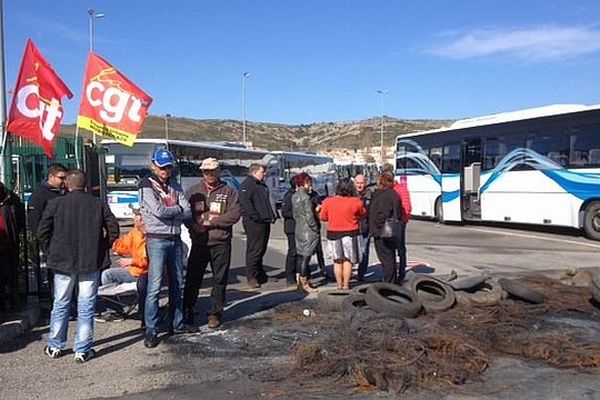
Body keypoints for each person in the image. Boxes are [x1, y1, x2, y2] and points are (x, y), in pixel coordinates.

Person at [38, 170, 119, 363]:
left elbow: (42, 231)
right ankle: (82, 350)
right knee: (86, 306)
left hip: (62, 261)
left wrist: (51, 251)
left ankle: (56, 345)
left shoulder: (56, 203)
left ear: (67, 183)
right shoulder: (97, 204)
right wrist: (102, 248)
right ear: (85, 185)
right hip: (90, 260)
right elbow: (113, 228)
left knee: (60, 303)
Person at [138, 149, 191, 348]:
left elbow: (188, 212)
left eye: (168, 167)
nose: (165, 171)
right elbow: (158, 211)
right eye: (162, 167)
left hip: (175, 238)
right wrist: (176, 209)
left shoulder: (175, 185)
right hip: (157, 240)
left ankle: (176, 324)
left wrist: (176, 211)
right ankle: (151, 330)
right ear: (153, 165)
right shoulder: (146, 186)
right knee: (155, 285)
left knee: (178, 283)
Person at [183, 157, 241, 330]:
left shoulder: (229, 192)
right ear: (202, 172)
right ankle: (188, 309)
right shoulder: (193, 192)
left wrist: (211, 223)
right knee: (193, 278)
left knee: (219, 279)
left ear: (218, 171)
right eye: (206, 171)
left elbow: (234, 214)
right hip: (199, 243)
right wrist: (193, 225)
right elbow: (185, 213)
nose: (209, 174)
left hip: (220, 243)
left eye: (212, 171)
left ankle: (215, 313)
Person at [96, 204, 148, 325]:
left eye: (136, 216)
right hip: (134, 271)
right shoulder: (135, 232)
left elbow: (149, 261)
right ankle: (115, 311)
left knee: (142, 280)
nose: (134, 218)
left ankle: (144, 311)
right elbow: (123, 245)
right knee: (108, 274)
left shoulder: (152, 236)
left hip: (146, 273)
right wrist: (109, 240)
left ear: (142, 219)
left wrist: (132, 261)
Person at [27, 163, 68, 299]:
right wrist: (45, 241)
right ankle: (50, 299)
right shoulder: (39, 195)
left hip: (66, 240)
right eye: (61, 178)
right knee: (53, 274)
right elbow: (34, 222)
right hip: (50, 242)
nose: (64, 181)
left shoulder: (65, 193)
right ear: (51, 176)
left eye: (65, 178)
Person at [320, 178, 366, 290]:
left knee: (337, 260)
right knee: (348, 260)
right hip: (351, 232)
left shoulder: (328, 201)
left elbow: (322, 217)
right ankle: (346, 285)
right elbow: (363, 213)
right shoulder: (356, 201)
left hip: (333, 233)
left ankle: (339, 285)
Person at [239, 163, 277, 289]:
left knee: (261, 249)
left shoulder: (261, 184)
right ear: (254, 172)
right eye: (262, 172)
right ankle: (251, 276)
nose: (265, 174)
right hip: (254, 222)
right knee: (254, 250)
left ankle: (260, 274)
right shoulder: (247, 185)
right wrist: (256, 216)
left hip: (264, 221)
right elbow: (246, 203)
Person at [369, 171, 402, 284]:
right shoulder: (394, 194)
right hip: (391, 232)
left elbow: (383, 214)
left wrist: (377, 225)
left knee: (386, 259)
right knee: (390, 257)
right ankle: (392, 281)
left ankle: (389, 283)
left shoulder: (385, 196)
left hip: (383, 232)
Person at [291, 173, 319, 293]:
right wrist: (315, 228)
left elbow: (295, 214)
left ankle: (299, 281)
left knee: (300, 256)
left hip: (299, 227)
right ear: (306, 183)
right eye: (309, 183)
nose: (310, 186)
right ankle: (304, 283)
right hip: (308, 229)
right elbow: (309, 216)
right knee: (306, 258)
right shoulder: (306, 197)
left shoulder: (294, 196)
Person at [0, 182, 25, 311]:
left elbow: (20, 220)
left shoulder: (11, 199)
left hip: (9, 244)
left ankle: (13, 303)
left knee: (10, 275)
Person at [280, 176, 301, 286]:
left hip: (301, 228)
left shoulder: (303, 195)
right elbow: (284, 212)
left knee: (300, 252)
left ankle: (300, 273)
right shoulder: (289, 196)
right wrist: (298, 215)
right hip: (291, 227)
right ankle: (290, 276)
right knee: (293, 251)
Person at [392, 174, 412, 283]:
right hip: (398, 221)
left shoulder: (399, 188)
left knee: (399, 248)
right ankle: (397, 272)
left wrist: (403, 219)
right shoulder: (400, 188)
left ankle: (401, 272)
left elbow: (407, 206)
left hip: (399, 222)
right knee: (398, 248)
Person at [354, 174, 374, 281]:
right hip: (352, 227)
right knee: (351, 251)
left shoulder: (370, 194)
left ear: (365, 183)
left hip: (366, 227)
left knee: (364, 252)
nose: (359, 185)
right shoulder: (350, 194)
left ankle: (361, 274)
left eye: (361, 183)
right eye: (357, 183)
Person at [308, 188, 326, 277]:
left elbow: (320, 206)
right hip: (307, 227)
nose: (310, 187)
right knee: (308, 250)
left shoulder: (315, 194)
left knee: (319, 249)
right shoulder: (302, 197)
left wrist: (319, 209)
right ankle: (305, 271)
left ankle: (322, 268)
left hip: (316, 224)